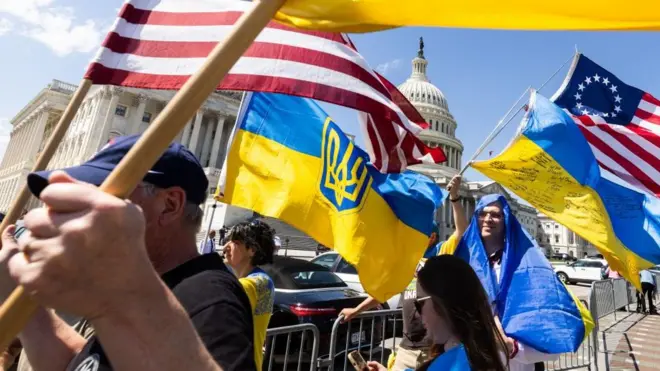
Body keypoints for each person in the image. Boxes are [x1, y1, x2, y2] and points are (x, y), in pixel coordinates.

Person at [0, 135, 256, 371]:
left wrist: (118, 299)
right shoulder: (151, 287)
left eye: (102, 192)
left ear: (169, 205)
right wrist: (25, 305)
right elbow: (83, 365)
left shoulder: (209, 299)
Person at [339, 175, 467, 371]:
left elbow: (461, 232)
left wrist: (455, 198)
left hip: (433, 348)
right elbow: (386, 290)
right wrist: (356, 311)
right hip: (406, 349)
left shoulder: (441, 255)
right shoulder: (406, 260)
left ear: (431, 237)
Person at [451, 194, 591, 371]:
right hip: (472, 357)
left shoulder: (529, 264)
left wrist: (511, 346)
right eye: (482, 213)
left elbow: (546, 325)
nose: (487, 219)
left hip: (514, 361)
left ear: (506, 220)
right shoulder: (465, 261)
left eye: (495, 215)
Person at [366, 255, 508, 371]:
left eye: (420, 303)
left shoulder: (455, 363)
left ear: (444, 303)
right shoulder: (473, 355)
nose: (417, 314)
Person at [223, 220, 276, 371]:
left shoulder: (253, 283)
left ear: (252, 250)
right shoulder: (262, 279)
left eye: (235, 242)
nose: (226, 247)